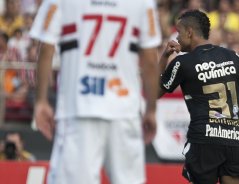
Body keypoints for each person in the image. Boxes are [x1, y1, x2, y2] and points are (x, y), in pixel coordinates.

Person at [30, 0, 161, 184]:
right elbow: (149, 60)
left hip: (78, 108)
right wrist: (151, 109)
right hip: (124, 110)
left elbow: (45, 49)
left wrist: (41, 101)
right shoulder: (142, 2)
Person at [158, 9, 239, 184]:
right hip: (234, 141)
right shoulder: (232, 56)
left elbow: (154, 92)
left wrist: (164, 56)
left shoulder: (182, 62)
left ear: (189, 32)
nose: (176, 37)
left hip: (204, 142)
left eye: (179, 32)